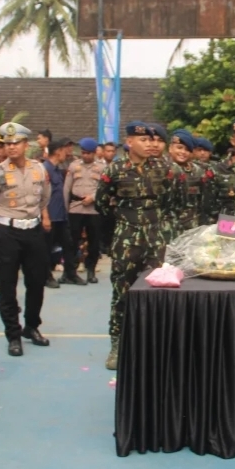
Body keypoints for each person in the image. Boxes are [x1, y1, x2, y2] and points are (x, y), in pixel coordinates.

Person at [96, 121, 179, 370]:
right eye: (142, 140)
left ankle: (154, 345)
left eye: (151, 140)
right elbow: (101, 204)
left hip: (156, 238)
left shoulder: (164, 168)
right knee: (122, 292)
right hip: (127, 238)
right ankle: (117, 344)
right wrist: (124, 219)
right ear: (129, 142)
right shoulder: (115, 170)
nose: (149, 144)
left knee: (157, 291)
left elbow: (171, 200)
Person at [0, 123, 52, 357]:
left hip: (33, 230)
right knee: (7, 285)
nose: (11, 147)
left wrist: (38, 216)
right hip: (7, 231)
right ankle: (13, 335)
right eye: (7, 143)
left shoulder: (39, 169)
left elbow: (45, 197)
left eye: (16, 143)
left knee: (36, 282)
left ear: (26, 144)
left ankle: (32, 326)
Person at [64, 138, 106, 283]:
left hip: (93, 209)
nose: (85, 155)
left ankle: (91, 270)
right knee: (72, 241)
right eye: (83, 153)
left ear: (94, 153)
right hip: (76, 208)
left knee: (94, 242)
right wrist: (66, 209)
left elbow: (104, 188)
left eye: (88, 153)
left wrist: (93, 197)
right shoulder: (74, 166)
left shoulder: (102, 167)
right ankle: (70, 271)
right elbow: (67, 188)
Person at [43, 140, 84, 287]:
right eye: (63, 150)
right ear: (57, 151)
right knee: (46, 248)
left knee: (69, 245)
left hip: (61, 215)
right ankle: (46, 276)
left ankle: (70, 274)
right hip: (50, 216)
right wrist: (45, 216)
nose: (66, 153)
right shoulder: (45, 169)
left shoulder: (57, 169)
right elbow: (42, 195)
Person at [168, 130, 208, 233]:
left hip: (193, 226)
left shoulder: (199, 171)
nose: (183, 152)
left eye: (187, 149)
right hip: (168, 227)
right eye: (179, 148)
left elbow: (203, 201)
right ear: (170, 148)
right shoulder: (162, 169)